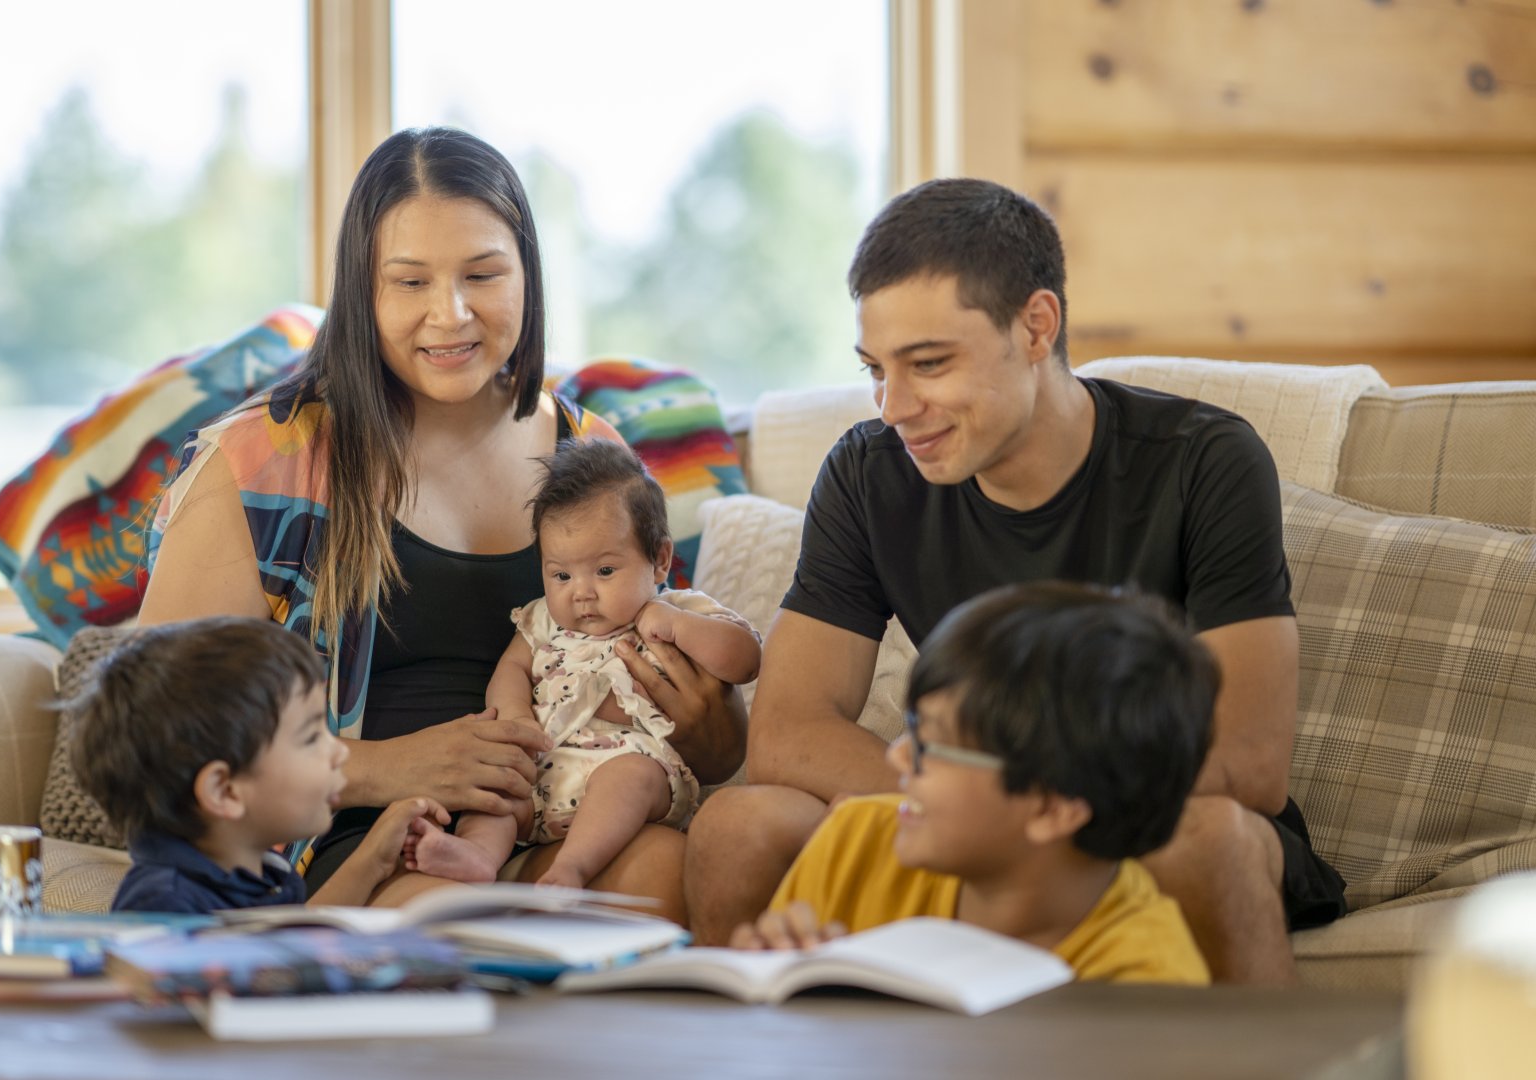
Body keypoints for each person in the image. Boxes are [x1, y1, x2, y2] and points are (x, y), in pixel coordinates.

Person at [685, 177, 1346, 981]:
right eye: (874, 369)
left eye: (927, 364)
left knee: (1207, 840)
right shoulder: (868, 473)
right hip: (966, 807)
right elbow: (789, 734)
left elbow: (1248, 762)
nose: (893, 406)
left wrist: (1019, 809)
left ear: (1036, 326)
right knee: (739, 824)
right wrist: (968, 812)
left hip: (1146, 815)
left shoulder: (1204, 461)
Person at [136, 127, 745, 922]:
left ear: (528, 274)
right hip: (361, 836)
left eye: (483, 274)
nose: (449, 314)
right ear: (364, 291)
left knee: (662, 872)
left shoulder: (593, 455)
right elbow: (156, 734)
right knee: (453, 920)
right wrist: (381, 768)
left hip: (564, 805)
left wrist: (709, 726)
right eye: (410, 281)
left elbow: (703, 713)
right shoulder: (265, 462)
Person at [731, 583, 1213, 986]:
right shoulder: (854, 841)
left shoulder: (1145, 982)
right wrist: (777, 993)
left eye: (929, 745)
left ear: (1052, 807)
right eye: (911, 730)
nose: (897, 756)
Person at [409, 439, 761, 889]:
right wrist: (515, 717)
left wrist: (676, 625)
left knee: (630, 779)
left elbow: (745, 660)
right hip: (544, 768)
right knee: (496, 792)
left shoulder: (678, 609)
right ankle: (476, 856)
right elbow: (512, 670)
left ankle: (571, 868)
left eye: (605, 571)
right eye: (561, 575)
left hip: (631, 763)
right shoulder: (541, 619)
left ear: (659, 561)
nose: (581, 592)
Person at [68, 617, 447, 913]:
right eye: (311, 738)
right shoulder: (164, 902)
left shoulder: (263, 870)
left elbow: (289, 940)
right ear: (225, 791)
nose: (340, 753)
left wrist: (374, 859)